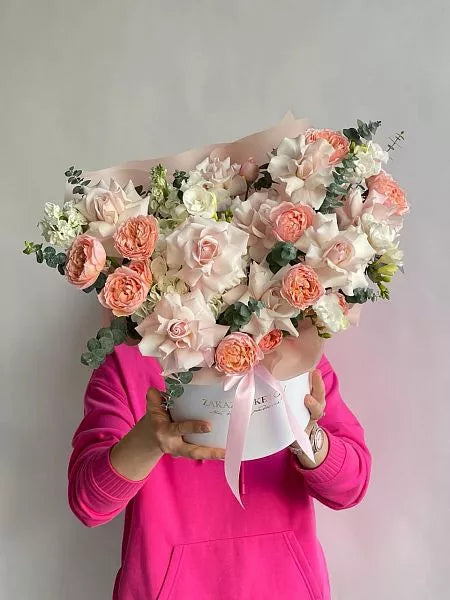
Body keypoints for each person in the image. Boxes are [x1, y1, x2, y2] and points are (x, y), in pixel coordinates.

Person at [68, 342, 371, 600]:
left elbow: (351, 485)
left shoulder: (296, 352)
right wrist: (150, 440)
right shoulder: (129, 361)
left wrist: (305, 435)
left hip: (287, 586)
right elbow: (90, 503)